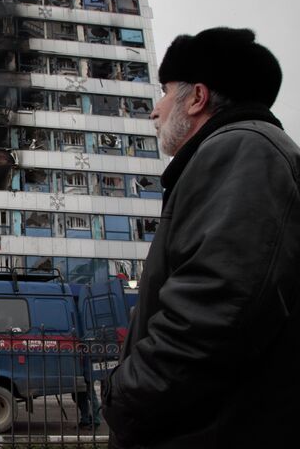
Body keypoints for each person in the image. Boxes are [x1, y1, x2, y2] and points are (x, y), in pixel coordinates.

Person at [102, 27, 300, 448]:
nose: (155, 110)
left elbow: (215, 310)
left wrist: (124, 395)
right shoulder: (237, 154)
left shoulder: (243, 151)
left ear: (196, 99)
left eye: (166, 91)